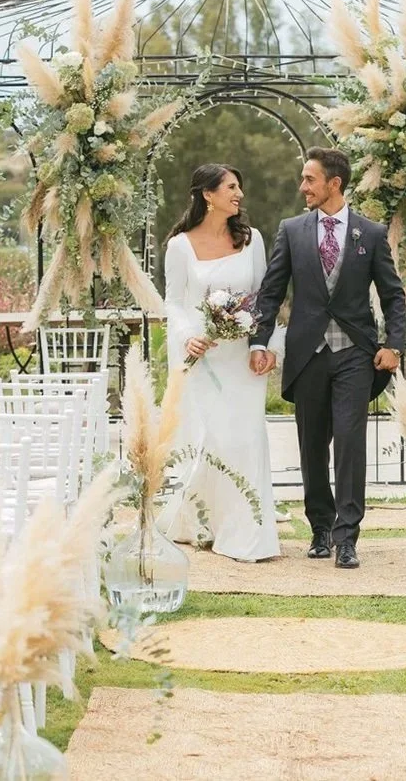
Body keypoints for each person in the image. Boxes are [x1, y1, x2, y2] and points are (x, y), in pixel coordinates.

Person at [250, 147, 406, 570]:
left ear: (334, 183)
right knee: (312, 444)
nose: (302, 186)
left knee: (351, 444)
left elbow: (393, 296)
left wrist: (394, 345)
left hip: (356, 354)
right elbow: (271, 292)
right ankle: (320, 528)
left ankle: (347, 537)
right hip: (308, 354)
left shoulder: (370, 234)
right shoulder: (292, 231)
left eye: (310, 179)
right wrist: (259, 342)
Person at [157, 164, 281, 562]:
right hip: (202, 356)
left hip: (242, 357)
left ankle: (247, 532)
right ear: (207, 195)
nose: (239, 193)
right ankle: (201, 520)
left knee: (244, 438)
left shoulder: (252, 240)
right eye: (230, 187)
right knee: (207, 438)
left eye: (239, 186)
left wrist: (264, 345)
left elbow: (263, 297)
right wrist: (185, 337)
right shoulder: (180, 246)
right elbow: (173, 302)